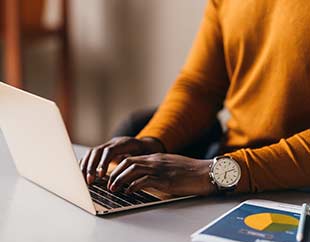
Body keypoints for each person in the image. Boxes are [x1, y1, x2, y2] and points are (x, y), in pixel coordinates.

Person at [80, 0, 310, 196]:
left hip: (293, 186)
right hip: (226, 166)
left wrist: (214, 173)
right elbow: (201, 87)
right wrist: (152, 141)